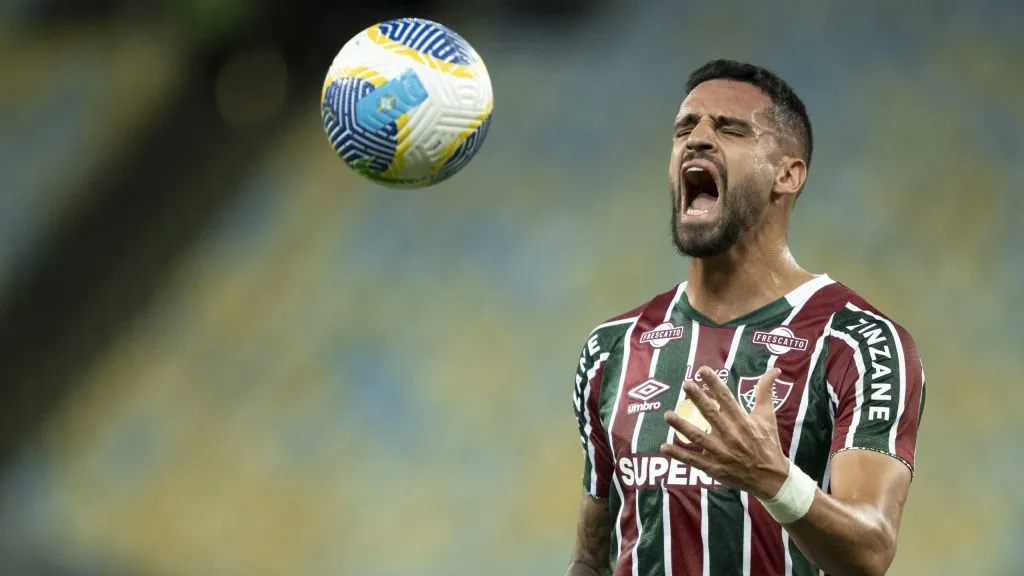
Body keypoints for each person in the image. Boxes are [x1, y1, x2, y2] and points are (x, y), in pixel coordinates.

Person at [567, 60, 925, 576]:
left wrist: (775, 479)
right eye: (685, 128)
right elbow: (589, 559)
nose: (698, 139)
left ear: (788, 174)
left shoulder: (857, 342)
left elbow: (870, 552)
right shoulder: (613, 348)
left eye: (730, 128)